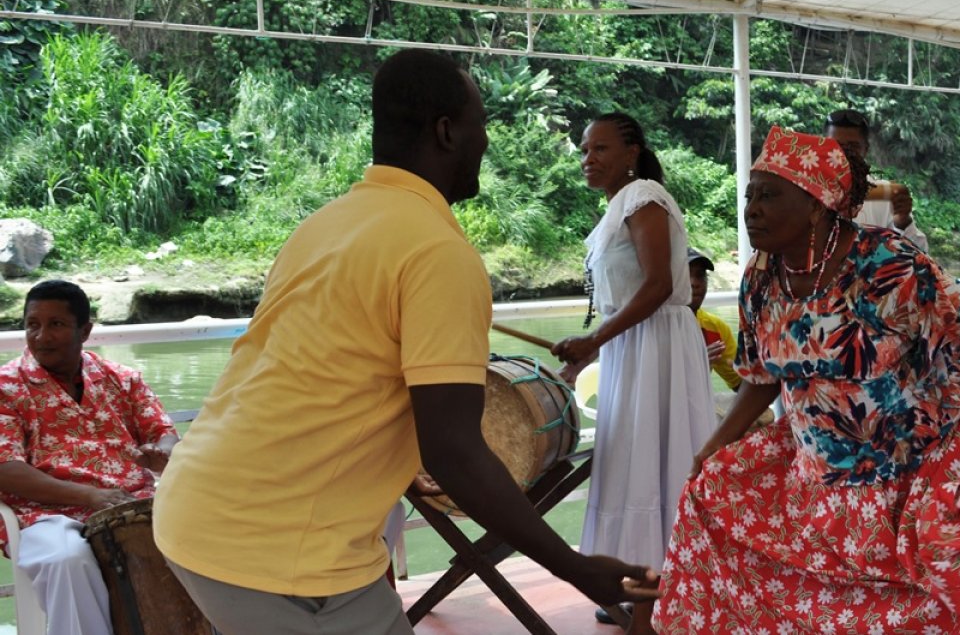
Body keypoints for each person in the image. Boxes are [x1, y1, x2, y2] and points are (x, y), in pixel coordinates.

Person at [152, 50, 655, 635]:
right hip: (265, 543)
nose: (485, 141)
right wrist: (574, 567)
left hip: (227, 508)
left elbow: (327, 368)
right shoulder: (438, 252)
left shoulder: (330, 220)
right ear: (447, 131)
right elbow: (454, 450)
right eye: (481, 124)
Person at [651, 127, 960, 633]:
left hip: (925, 466)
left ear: (818, 205)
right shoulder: (760, 278)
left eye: (770, 194)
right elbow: (764, 376)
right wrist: (714, 446)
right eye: (751, 194)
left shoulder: (887, 263)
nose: (752, 207)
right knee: (739, 520)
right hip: (825, 478)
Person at [551, 111, 717, 634]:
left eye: (600, 149)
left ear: (632, 152)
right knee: (632, 466)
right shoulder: (616, 208)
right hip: (633, 350)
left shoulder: (645, 194)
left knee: (656, 467)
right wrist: (591, 353)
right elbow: (625, 302)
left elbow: (654, 291)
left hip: (658, 350)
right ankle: (637, 586)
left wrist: (595, 339)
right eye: (583, 150)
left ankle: (655, 604)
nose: (588, 160)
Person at [0, 279, 179, 635]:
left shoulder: (123, 379)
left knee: (200, 538)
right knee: (66, 559)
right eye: (32, 324)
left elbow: (164, 434)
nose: (41, 336)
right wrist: (91, 496)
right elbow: (5, 470)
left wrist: (164, 453)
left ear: (85, 330)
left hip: (134, 502)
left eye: (56, 324)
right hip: (45, 514)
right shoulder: (6, 386)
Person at [825, 108, 929, 252]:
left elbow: (919, 256)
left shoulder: (886, 197)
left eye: (853, 147)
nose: (843, 153)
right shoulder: (805, 194)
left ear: (865, 150)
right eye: (836, 145)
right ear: (822, 147)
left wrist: (902, 223)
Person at [686, 247, 739, 392]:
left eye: (700, 275)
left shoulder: (715, 328)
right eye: (685, 275)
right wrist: (696, 364)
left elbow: (739, 383)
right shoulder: (655, 327)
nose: (694, 283)